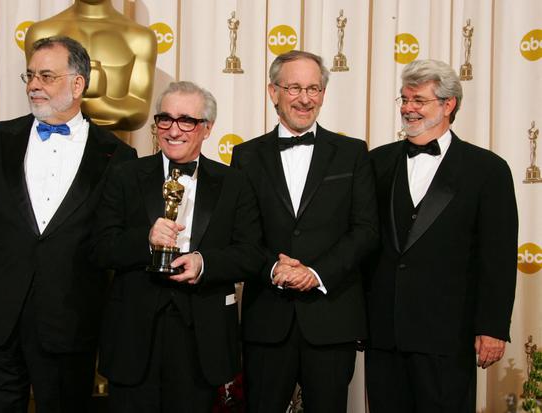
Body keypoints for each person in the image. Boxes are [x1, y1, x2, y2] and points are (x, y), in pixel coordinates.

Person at [0, 36, 136, 412]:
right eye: (29, 75)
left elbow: (111, 239)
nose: (33, 85)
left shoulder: (120, 157)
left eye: (45, 76)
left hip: (68, 323)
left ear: (78, 84)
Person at [90, 81, 264, 412]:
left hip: (201, 338)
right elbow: (99, 248)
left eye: (187, 120)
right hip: (133, 336)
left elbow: (251, 254)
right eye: (165, 119)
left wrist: (204, 262)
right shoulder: (125, 176)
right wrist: (145, 238)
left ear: (207, 128)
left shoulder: (234, 183)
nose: (173, 130)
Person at [365, 59, 518, 413]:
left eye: (418, 100)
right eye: (404, 99)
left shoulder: (487, 170)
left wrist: (492, 327)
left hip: (448, 335)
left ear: (448, 104)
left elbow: (497, 257)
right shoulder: (377, 162)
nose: (408, 108)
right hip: (385, 333)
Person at [230, 50, 378, 413]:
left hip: (331, 317)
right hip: (268, 317)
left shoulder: (352, 153)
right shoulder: (246, 155)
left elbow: (365, 230)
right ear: (273, 92)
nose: (305, 98)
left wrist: (316, 273)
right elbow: (242, 234)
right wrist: (274, 269)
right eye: (294, 87)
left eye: (314, 88)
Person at [24, 0, 157, 131]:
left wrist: (91, 101)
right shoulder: (41, 32)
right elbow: (40, 103)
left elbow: (137, 115)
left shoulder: (140, 37)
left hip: (111, 150)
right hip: (48, 145)